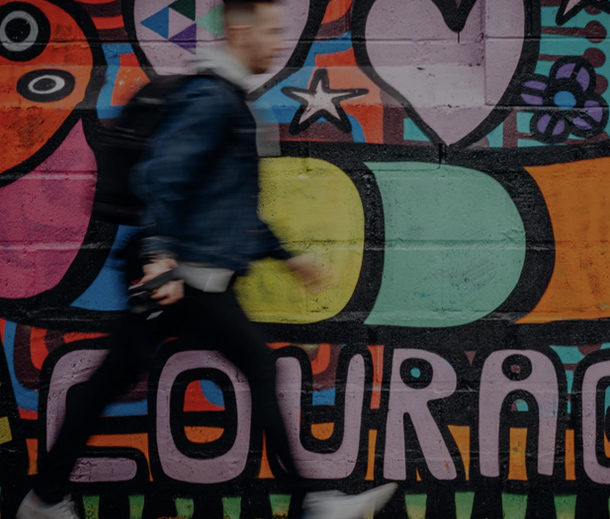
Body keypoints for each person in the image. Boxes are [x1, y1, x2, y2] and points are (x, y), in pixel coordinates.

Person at [16, 0, 397, 517]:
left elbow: (230, 206)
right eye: (269, 31)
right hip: (181, 278)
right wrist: (159, 255)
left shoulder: (230, 100)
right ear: (239, 30)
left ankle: (44, 498)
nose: (277, 43)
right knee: (242, 369)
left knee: (117, 380)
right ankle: (315, 504)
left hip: (196, 278)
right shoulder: (211, 99)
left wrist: (286, 257)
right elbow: (161, 174)